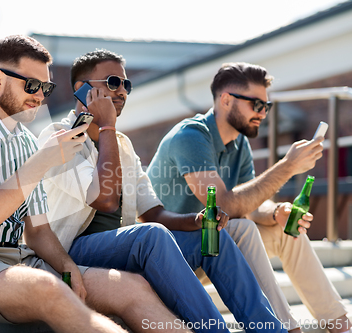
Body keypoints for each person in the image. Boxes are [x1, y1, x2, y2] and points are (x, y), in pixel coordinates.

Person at [0, 35, 193, 333]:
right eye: (31, 85)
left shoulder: (27, 142)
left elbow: (39, 230)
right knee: (47, 288)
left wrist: (68, 266)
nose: (40, 96)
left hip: (17, 257)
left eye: (46, 87)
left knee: (131, 287)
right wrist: (42, 161)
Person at [39, 50, 287, 333]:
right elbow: (105, 200)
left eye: (126, 85)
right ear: (81, 89)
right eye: (112, 82)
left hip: (124, 249)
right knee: (152, 235)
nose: (121, 91)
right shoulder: (58, 136)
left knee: (212, 237)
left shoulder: (122, 145)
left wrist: (196, 220)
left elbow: (153, 212)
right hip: (71, 252)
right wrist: (106, 124)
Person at [147, 62, 352, 333]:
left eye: (266, 107)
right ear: (226, 100)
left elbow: (249, 203)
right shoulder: (191, 136)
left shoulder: (239, 143)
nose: (263, 114)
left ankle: (339, 324)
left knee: (285, 231)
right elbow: (223, 205)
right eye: (256, 105)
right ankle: (286, 328)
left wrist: (277, 212)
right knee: (239, 227)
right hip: (172, 256)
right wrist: (287, 166)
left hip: (213, 249)